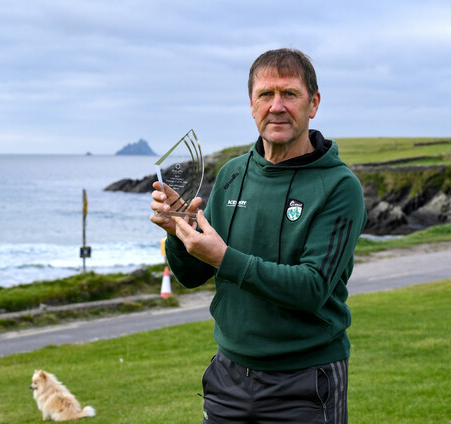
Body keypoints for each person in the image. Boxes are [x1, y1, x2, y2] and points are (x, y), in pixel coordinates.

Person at [150, 48, 367, 424]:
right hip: (228, 377)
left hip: (305, 381)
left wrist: (223, 257)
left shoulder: (339, 186)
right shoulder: (233, 174)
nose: (276, 106)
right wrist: (178, 232)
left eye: (290, 94)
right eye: (266, 94)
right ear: (251, 105)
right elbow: (191, 275)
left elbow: (312, 288)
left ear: (313, 103)